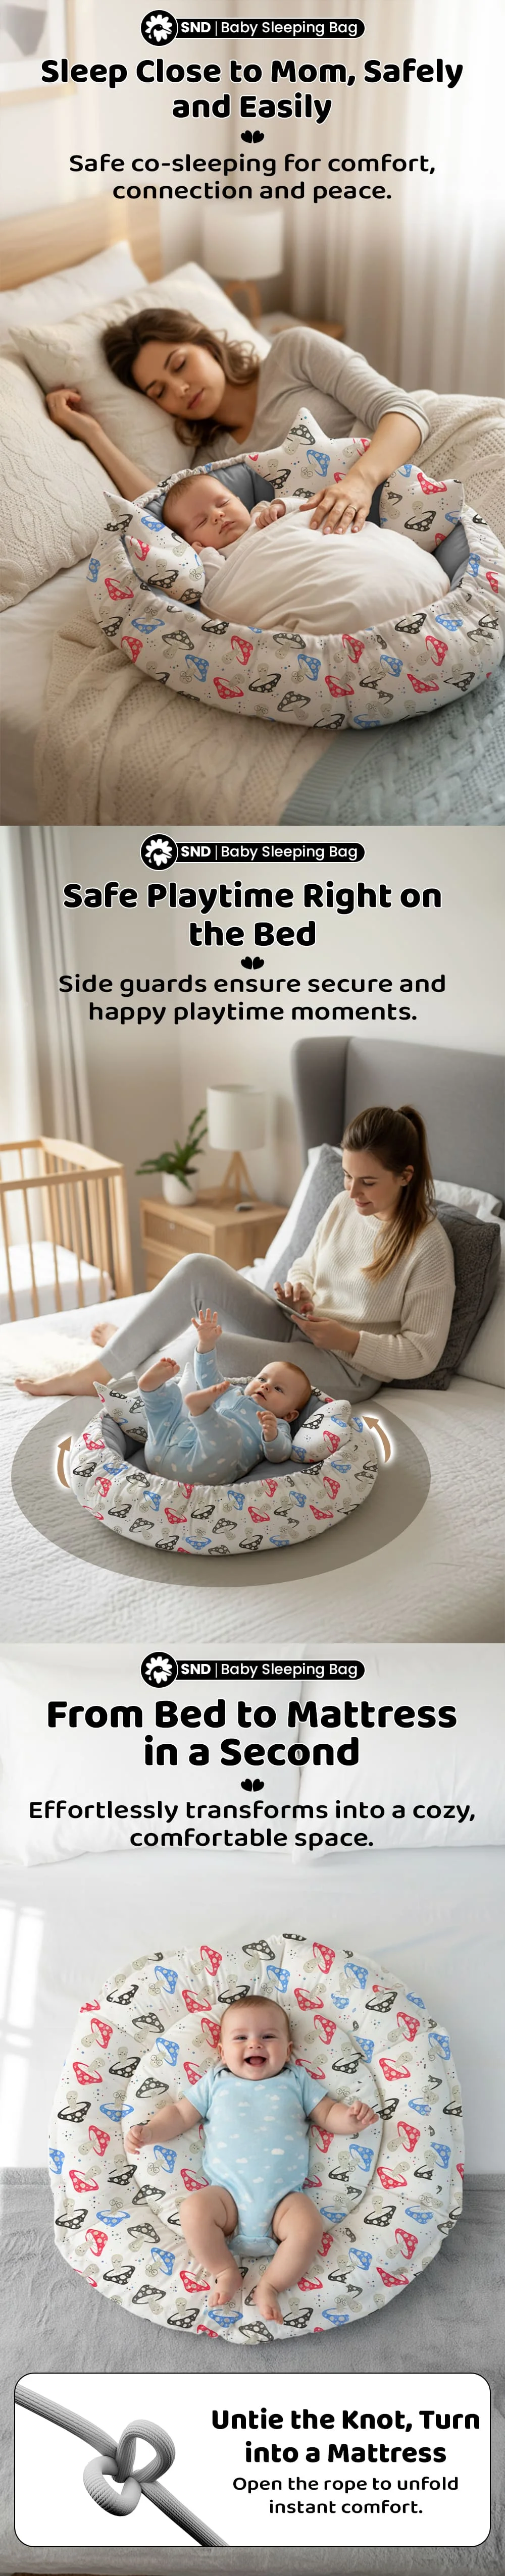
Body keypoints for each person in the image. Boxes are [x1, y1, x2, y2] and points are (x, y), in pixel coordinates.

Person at [16, 1104, 455, 1407]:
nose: (352, 1192)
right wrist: (299, 1290)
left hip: (348, 1366)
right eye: (346, 1176)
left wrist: (347, 1339)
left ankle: (136, 1359)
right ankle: (101, 1367)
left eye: (368, 1182)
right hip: (299, 1327)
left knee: (213, 1349)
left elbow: (422, 1355)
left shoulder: (428, 1246)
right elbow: (306, 1263)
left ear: (405, 1176)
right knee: (198, 1268)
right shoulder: (344, 1206)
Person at [44, 303, 431, 537]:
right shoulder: (215, 460)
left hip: (426, 457)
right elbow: (157, 506)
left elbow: (404, 411)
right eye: (159, 392)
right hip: (375, 526)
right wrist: (92, 433)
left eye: (179, 364)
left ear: (208, 345)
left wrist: (359, 483)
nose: (178, 389)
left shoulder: (294, 352)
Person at [124, 1993, 378, 2324]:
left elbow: (328, 2113)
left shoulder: (296, 2081)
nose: (255, 2044)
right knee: (194, 2209)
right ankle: (224, 2269)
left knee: (308, 2225)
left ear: (288, 2050)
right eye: (241, 2038)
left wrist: (352, 2119)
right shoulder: (215, 2081)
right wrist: (151, 2132)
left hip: (283, 2202)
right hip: (226, 2199)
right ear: (222, 2051)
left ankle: (271, 2284)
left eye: (269, 2037)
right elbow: (180, 2114)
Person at [162, 467, 450, 636]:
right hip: (274, 577)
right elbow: (215, 588)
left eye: (223, 503)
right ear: (190, 542)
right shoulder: (217, 559)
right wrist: (202, 557)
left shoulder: (264, 513)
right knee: (346, 603)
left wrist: (281, 507)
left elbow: (308, 508)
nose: (217, 516)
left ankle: (409, 575)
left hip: (337, 550)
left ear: (239, 499)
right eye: (201, 521)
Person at [138, 1305, 312, 1481]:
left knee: (231, 1436)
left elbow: (281, 1455)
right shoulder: (231, 1391)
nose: (266, 1387)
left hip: (206, 1468)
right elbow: (208, 1376)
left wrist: (272, 1436)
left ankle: (201, 1411)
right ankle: (153, 1392)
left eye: (279, 1389)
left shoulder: (278, 1425)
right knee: (172, 1410)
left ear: (290, 1415)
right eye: (262, 1379)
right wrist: (206, 1344)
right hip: (164, 1447)